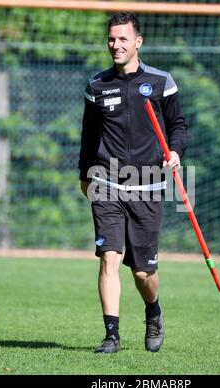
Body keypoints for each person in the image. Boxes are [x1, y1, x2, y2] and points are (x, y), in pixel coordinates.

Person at [79, 12, 187, 353]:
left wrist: (175, 152)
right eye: (112, 39)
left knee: (143, 273)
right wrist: (85, 175)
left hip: (147, 185)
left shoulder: (161, 82)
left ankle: (153, 311)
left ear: (137, 42)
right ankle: (111, 335)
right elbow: (88, 136)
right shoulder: (97, 85)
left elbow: (179, 126)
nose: (116, 45)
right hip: (107, 183)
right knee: (109, 256)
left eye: (123, 39)